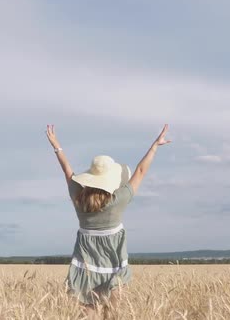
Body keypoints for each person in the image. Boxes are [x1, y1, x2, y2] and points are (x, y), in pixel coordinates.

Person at [45, 124, 171, 319]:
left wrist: (56, 145)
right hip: (114, 260)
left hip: (86, 261)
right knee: (113, 314)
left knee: (89, 312)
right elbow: (141, 171)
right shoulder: (118, 200)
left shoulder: (77, 197)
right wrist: (155, 146)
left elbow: (67, 171)